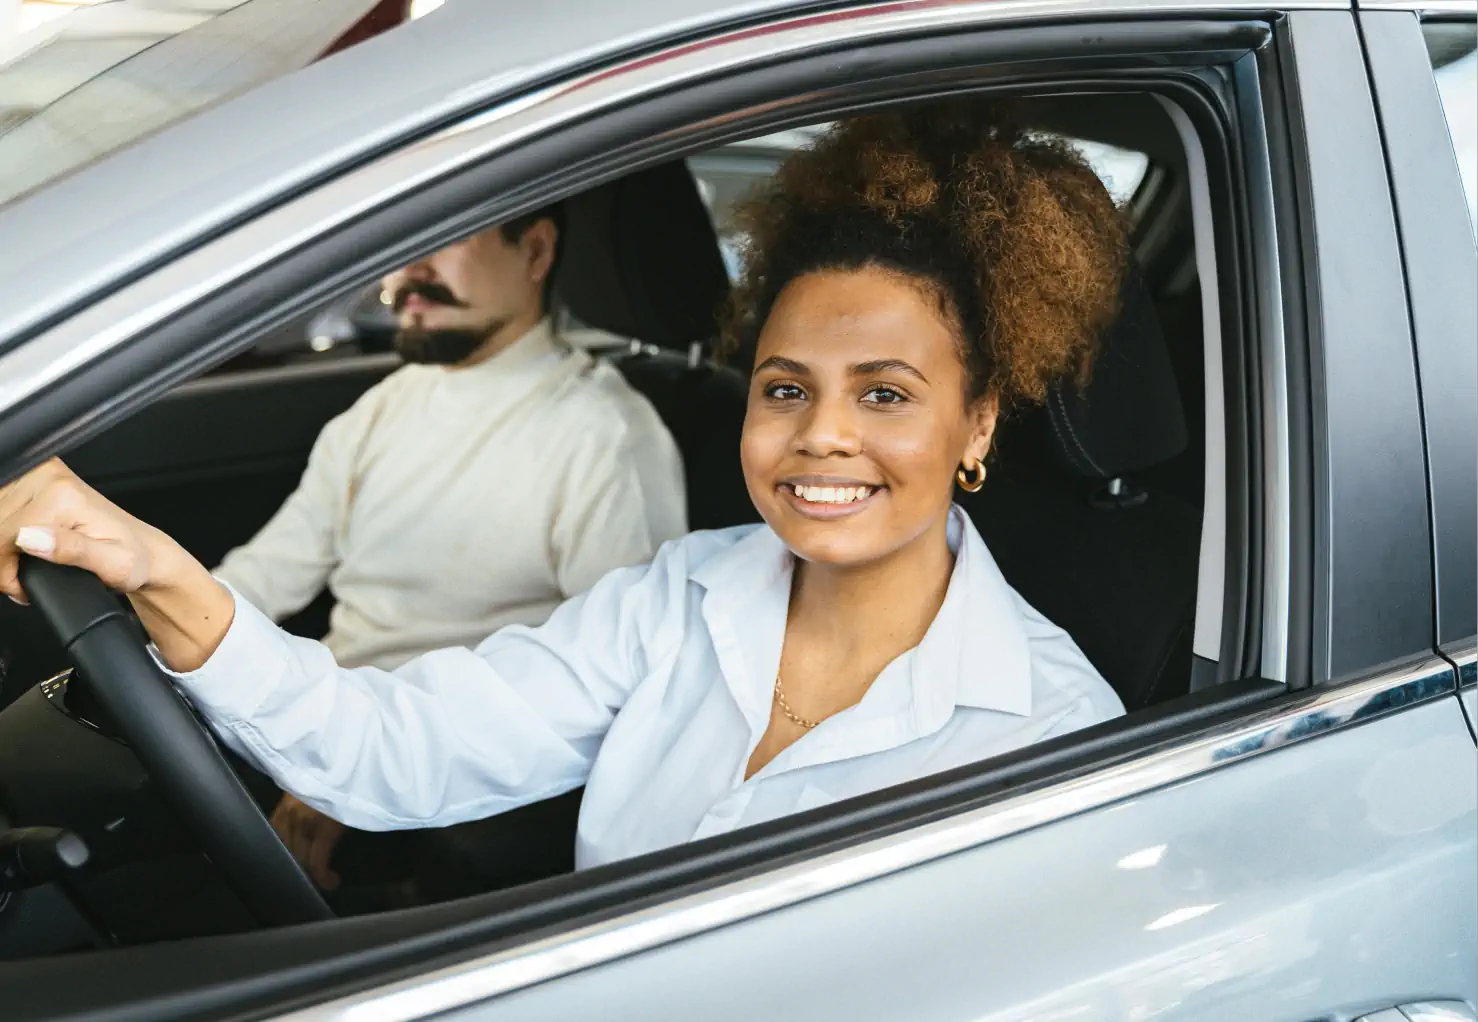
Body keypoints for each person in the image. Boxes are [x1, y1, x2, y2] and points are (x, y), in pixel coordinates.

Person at [1, 104, 1129, 881]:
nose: (821, 434)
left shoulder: (1053, 733)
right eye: (785, 387)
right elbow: (395, 746)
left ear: (979, 420)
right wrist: (153, 567)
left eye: (884, 394)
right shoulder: (675, 599)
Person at [215, 205, 686, 884]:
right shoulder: (387, 404)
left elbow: (619, 684)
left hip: (439, 775)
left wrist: (362, 776)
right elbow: (267, 574)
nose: (409, 269)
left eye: (443, 235)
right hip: (316, 725)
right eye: (400, 237)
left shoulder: (604, 436)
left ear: (535, 252)